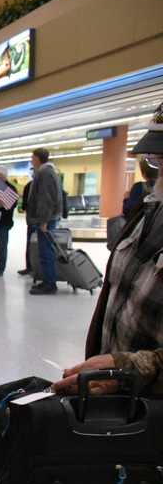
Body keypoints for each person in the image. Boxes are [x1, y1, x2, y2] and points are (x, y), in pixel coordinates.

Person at [53, 103, 163, 397]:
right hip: (123, 401)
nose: (161, 169)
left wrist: (129, 369)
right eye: (158, 159)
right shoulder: (150, 207)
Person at [27, 147, 64, 295]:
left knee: (46, 252)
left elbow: (46, 199)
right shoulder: (46, 172)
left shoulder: (45, 173)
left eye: (32, 157)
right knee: (43, 251)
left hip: (47, 219)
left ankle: (49, 283)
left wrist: (44, 220)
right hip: (46, 218)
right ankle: (46, 280)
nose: (31, 160)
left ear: (38, 158)